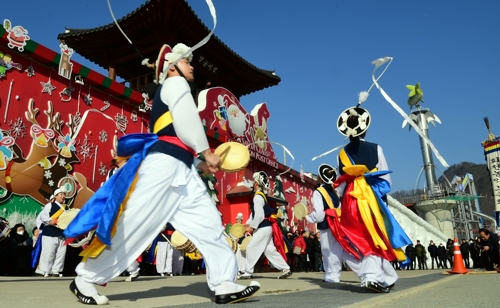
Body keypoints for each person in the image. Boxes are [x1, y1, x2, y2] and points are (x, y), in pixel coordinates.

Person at [65, 43, 260, 305]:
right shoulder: (174, 84)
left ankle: (224, 282)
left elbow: (180, 138)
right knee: (135, 222)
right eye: (188, 62)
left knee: (209, 225)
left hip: (180, 168)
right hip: (163, 166)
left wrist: (198, 163)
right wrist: (205, 151)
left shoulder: (175, 88)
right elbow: (186, 120)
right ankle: (85, 279)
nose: (192, 66)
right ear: (172, 67)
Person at [334, 105, 411, 293]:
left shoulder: (341, 154)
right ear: (365, 127)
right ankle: (372, 277)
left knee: (360, 238)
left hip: (350, 199)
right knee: (373, 237)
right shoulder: (376, 148)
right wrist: (380, 198)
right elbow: (385, 180)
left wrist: (343, 203)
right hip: (370, 197)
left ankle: (387, 277)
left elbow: (341, 184)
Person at [305, 163, 362, 283]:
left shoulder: (318, 192)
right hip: (338, 222)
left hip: (327, 224)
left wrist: (308, 217)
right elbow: (339, 208)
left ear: (321, 177)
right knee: (340, 250)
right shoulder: (335, 192)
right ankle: (363, 271)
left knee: (327, 250)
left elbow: (319, 215)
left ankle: (332, 275)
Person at [239, 171, 292, 280]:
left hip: (262, 228)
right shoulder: (261, 196)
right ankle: (286, 269)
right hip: (266, 227)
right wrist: (247, 224)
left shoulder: (257, 197)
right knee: (270, 250)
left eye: (254, 181)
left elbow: (259, 216)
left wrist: (251, 227)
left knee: (250, 247)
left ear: (257, 184)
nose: (253, 183)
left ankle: (248, 272)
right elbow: (254, 214)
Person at [38, 188, 67, 277]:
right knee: (49, 252)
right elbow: (43, 215)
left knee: (61, 253)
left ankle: (56, 270)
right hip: (50, 232)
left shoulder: (67, 207)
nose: (63, 196)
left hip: (62, 233)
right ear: (56, 196)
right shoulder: (50, 205)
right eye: (61, 194)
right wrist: (50, 221)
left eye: (64, 194)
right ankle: (45, 270)